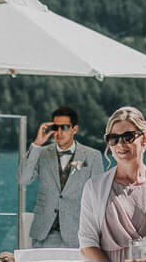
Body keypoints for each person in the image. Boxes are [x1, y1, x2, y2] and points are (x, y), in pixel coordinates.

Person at [78, 107, 146, 262]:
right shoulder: (94, 187)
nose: (120, 144)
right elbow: (87, 245)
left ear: (144, 138)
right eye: (113, 138)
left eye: (128, 137)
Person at [18, 106, 103, 249]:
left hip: (77, 235)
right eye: (55, 127)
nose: (59, 132)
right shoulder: (41, 153)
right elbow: (23, 179)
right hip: (43, 234)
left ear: (74, 129)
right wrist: (37, 144)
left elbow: (98, 197)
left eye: (64, 127)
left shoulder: (92, 156)